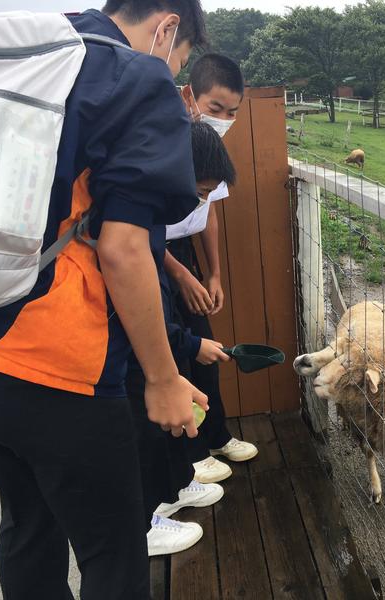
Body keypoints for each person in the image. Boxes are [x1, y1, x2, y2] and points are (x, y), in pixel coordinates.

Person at [0, 3, 208, 599]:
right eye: (181, 59)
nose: (174, 72)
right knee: (113, 552)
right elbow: (124, 249)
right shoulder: (134, 77)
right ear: (168, 26)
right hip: (49, 366)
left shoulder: (33, 53)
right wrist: (162, 379)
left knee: (29, 517)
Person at [130, 120, 236, 556]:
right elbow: (136, 308)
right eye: (199, 192)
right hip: (118, 360)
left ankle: (173, 487)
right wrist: (190, 345)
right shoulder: (132, 222)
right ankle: (139, 524)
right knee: (142, 420)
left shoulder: (151, 216)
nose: (200, 204)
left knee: (168, 407)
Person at [168, 54, 259, 484]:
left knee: (206, 350)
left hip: (184, 255)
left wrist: (213, 273)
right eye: (215, 108)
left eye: (232, 112)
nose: (224, 119)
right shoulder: (163, 137)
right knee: (177, 355)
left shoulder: (209, 144)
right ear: (190, 96)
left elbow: (209, 214)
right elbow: (138, 227)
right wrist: (179, 274)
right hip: (154, 256)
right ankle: (190, 455)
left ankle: (216, 435)